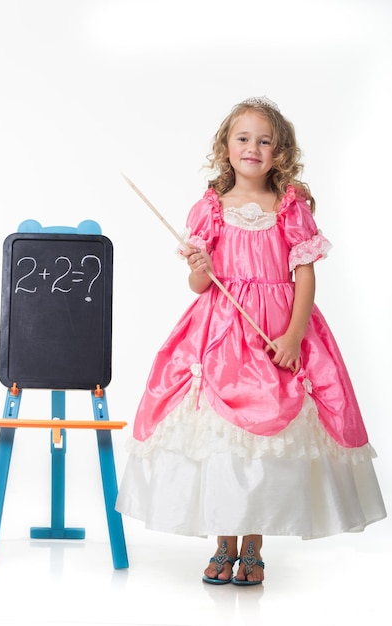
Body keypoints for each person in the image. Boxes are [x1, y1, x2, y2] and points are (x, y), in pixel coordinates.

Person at [115, 96, 386, 585]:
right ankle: (224, 543)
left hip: (276, 330)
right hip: (221, 333)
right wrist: (202, 270)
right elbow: (199, 286)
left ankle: (254, 546)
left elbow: (304, 274)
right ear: (226, 147)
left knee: (268, 438)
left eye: (265, 140)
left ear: (279, 152)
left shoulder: (289, 206)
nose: (253, 147)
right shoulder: (211, 208)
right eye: (243, 138)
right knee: (223, 440)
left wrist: (294, 334)